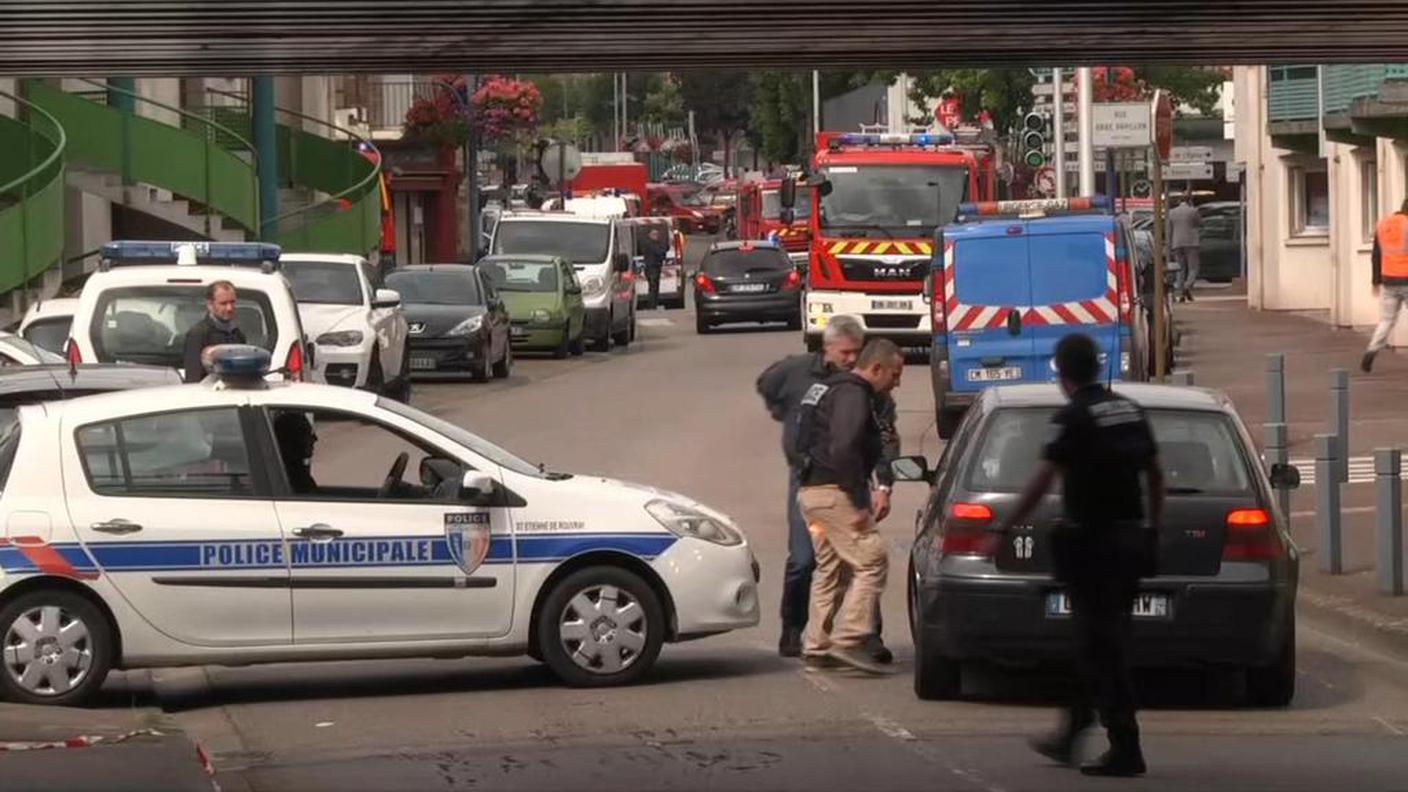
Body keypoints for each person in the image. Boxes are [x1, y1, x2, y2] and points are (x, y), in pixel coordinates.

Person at [999, 333, 1165, 778]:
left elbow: (1043, 477)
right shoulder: (1130, 410)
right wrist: (1152, 528)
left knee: (1100, 646)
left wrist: (1011, 523)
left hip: (1093, 544)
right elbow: (1155, 475)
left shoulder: (1072, 417)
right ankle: (1074, 730)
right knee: (1097, 641)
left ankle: (1125, 746)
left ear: (1063, 374)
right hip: (1129, 540)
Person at [757, 318, 898, 662]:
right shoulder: (809, 376)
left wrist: (883, 484)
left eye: (856, 351)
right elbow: (846, 445)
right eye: (845, 351)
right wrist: (784, 415)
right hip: (826, 484)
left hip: (832, 482)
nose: (851, 358)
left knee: (835, 564)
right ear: (828, 347)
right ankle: (826, 635)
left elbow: (881, 441)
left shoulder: (866, 393)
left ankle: (837, 639)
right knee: (854, 558)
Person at [793, 338, 905, 675]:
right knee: (873, 559)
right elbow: (844, 448)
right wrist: (858, 500)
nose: (897, 382)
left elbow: (801, 442)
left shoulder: (825, 390)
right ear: (876, 368)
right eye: (895, 374)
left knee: (832, 568)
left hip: (813, 490)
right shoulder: (853, 395)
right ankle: (850, 638)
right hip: (834, 493)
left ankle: (816, 644)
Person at [1361, 198, 1408, 373]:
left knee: (1386, 320)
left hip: (1389, 279)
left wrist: (1375, 281)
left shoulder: (1383, 225)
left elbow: (1376, 255)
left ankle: (1371, 351)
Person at [182, 280, 246, 383]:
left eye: (232, 302)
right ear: (210, 305)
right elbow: (193, 378)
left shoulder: (237, 334)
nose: (229, 308)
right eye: (223, 303)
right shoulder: (198, 334)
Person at [1166, 196, 1201, 302]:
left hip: (1176, 243)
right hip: (1191, 242)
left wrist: (1169, 244)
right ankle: (1187, 286)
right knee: (1193, 268)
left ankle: (1181, 292)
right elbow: (1199, 223)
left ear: (1179, 201)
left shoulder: (1171, 212)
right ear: (1190, 201)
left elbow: (1169, 229)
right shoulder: (1193, 211)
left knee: (1180, 269)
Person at [273, 412, 318, 494]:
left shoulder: (296, 471)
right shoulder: (290, 477)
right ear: (291, 439)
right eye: (307, 433)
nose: (315, 438)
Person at [641, 226, 670, 309]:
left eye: (657, 234)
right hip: (652, 268)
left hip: (654, 267)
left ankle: (653, 304)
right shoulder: (650, 244)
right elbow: (660, 252)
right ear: (650, 235)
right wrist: (663, 247)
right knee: (653, 288)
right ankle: (652, 305)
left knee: (654, 287)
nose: (656, 236)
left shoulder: (651, 243)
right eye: (654, 234)